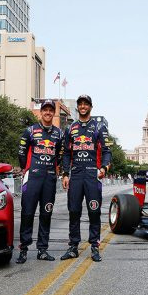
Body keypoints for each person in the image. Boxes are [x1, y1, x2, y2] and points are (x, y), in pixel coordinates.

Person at [60, 94, 111, 262]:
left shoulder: (99, 127)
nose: (83, 106)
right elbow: (66, 153)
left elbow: (107, 151)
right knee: (74, 211)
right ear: (78, 107)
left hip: (92, 175)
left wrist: (104, 167)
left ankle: (95, 246)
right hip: (75, 175)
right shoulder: (70, 128)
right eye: (80, 104)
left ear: (91, 106)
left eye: (86, 104)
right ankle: (73, 246)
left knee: (94, 211)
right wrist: (65, 174)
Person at [16, 99, 64, 264]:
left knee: (46, 214)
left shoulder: (59, 133)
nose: (48, 112)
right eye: (45, 110)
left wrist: (56, 169)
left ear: (53, 113)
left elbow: (60, 154)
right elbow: (21, 152)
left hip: (49, 179)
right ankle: (23, 249)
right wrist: (26, 168)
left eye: (51, 110)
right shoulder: (30, 131)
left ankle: (42, 249)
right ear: (41, 112)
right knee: (27, 213)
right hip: (32, 178)